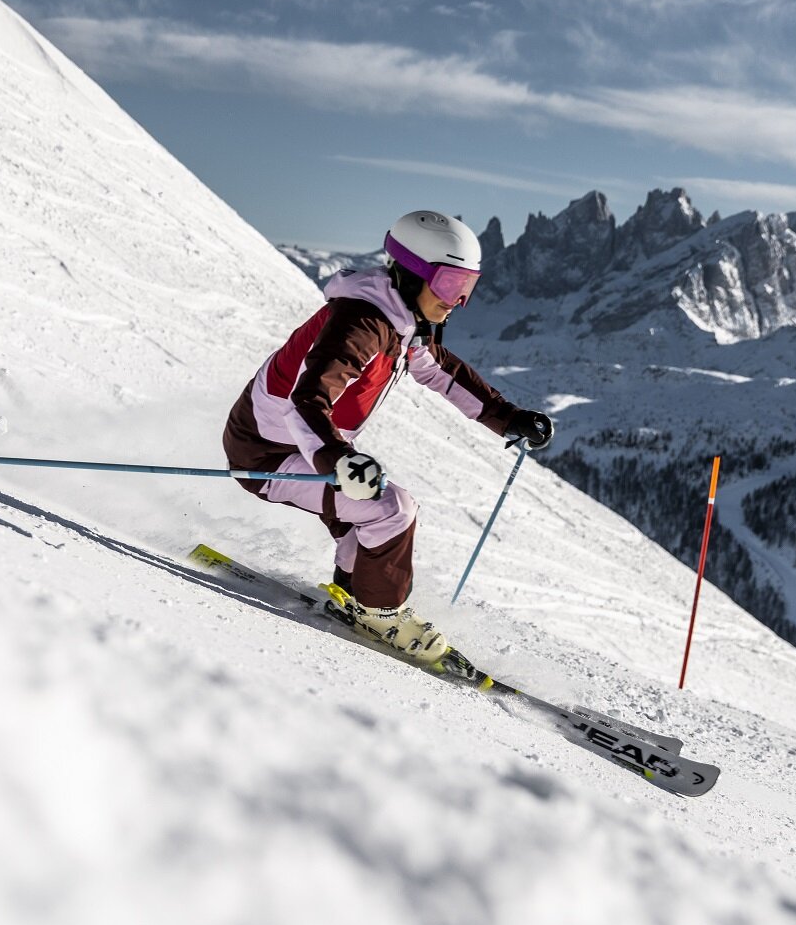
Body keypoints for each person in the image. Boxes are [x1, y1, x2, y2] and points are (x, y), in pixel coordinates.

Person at [223, 210, 553, 661]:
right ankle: (379, 615)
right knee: (392, 510)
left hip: (309, 446)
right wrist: (338, 460)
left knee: (372, 532)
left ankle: (352, 596)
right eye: (449, 286)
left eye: (467, 290)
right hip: (267, 453)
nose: (456, 302)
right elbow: (307, 400)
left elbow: (440, 372)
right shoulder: (360, 323)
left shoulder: (402, 320)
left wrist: (507, 418)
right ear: (412, 274)